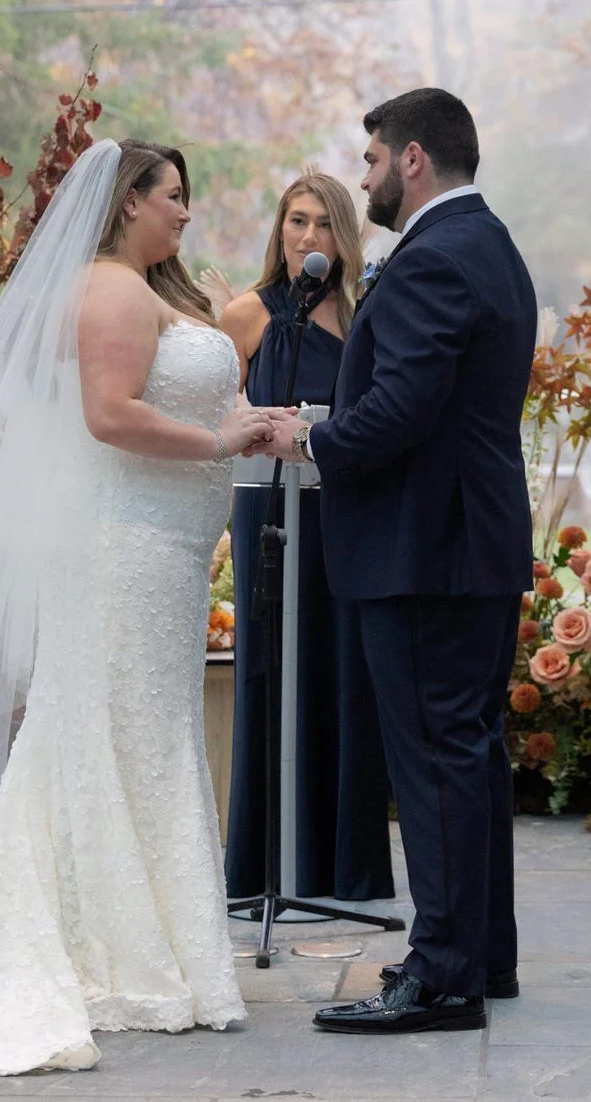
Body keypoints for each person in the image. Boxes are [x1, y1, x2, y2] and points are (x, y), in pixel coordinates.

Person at [0, 138, 283, 1079]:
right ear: (127, 202)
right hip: (125, 547)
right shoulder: (111, 290)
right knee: (111, 734)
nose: (184, 211)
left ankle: (150, 945)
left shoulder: (153, 289)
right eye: (171, 195)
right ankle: (118, 953)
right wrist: (222, 441)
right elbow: (110, 413)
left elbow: (186, 392)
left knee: (144, 736)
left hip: (165, 550)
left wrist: (251, 423)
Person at [265, 90, 537, 1034]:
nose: (366, 175)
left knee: (434, 758)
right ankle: (480, 956)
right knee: (466, 752)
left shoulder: (435, 259)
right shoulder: (486, 244)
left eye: (373, 159)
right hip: (468, 543)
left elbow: (398, 411)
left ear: (413, 157)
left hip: (430, 551)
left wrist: (307, 438)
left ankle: (443, 975)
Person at [221, 171, 393, 901]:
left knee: (341, 669)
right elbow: (218, 406)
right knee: (270, 667)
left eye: (323, 224)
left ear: (343, 238)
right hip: (267, 505)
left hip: (340, 508)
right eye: (296, 221)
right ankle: (263, 866)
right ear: (279, 231)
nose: (308, 237)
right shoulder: (248, 315)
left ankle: (341, 866)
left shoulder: (361, 317)